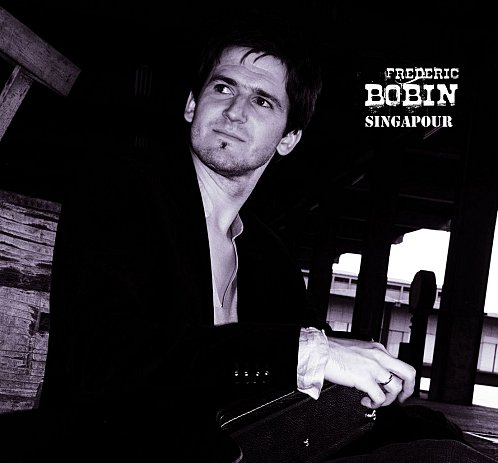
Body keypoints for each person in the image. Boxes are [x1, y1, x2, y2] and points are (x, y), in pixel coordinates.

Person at [2, 18, 496, 463]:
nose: (235, 111)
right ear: (192, 105)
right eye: (223, 88)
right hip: (116, 451)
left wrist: (396, 400)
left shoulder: (268, 256)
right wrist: (306, 353)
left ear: (288, 138)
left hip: (248, 448)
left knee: (445, 451)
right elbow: (104, 359)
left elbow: (317, 376)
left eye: (262, 101)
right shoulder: (122, 191)